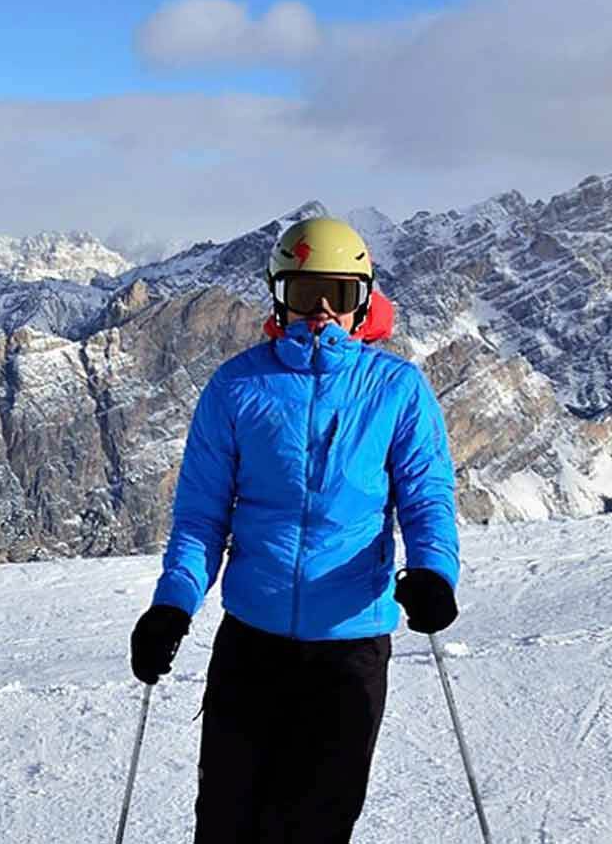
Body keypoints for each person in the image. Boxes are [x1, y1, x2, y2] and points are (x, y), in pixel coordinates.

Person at [129, 216, 461, 843]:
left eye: (339, 294)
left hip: (349, 649)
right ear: (279, 296)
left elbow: (426, 498)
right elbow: (202, 516)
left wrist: (434, 573)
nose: (323, 312)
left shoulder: (396, 390)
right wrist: (172, 606)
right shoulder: (238, 387)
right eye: (306, 294)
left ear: (364, 301)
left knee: (317, 826)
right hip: (253, 644)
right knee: (228, 821)